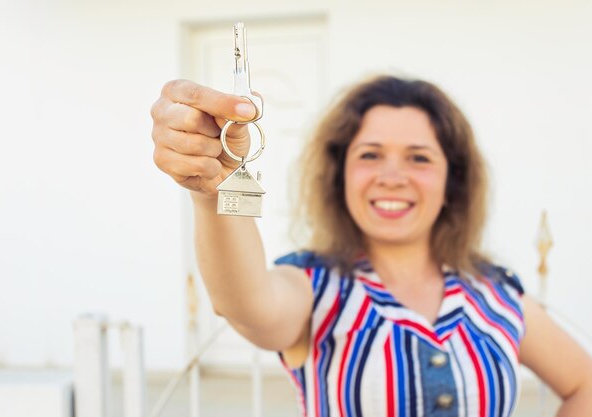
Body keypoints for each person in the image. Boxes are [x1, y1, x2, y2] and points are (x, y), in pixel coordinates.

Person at [150, 75, 592, 416]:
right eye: (370, 155)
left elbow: (583, 385)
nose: (392, 176)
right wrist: (214, 189)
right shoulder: (316, 286)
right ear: (338, 174)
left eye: (419, 157)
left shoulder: (494, 295)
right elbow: (246, 306)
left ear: (451, 179)